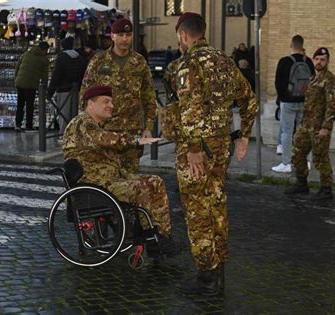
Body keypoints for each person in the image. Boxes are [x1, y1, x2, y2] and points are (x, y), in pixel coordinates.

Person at [172, 13, 258, 295]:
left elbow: (190, 109)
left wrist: (194, 149)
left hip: (199, 146)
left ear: (184, 35)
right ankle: (218, 273)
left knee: (197, 210)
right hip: (222, 145)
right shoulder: (225, 60)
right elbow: (249, 100)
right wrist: (244, 135)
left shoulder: (189, 63)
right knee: (217, 205)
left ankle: (206, 278)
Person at [62, 85, 179, 255]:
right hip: (96, 186)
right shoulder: (82, 124)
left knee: (155, 181)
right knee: (145, 188)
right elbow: (104, 139)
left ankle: (159, 237)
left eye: (111, 102)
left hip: (108, 181)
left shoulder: (94, 125)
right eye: (106, 102)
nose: (111, 105)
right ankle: (153, 238)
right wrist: (135, 141)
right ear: (91, 104)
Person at [81, 17, 156, 174]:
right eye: (120, 35)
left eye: (128, 35)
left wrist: (148, 127)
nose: (124, 39)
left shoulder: (139, 62)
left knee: (130, 179)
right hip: (105, 131)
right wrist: (86, 126)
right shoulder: (99, 61)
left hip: (131, 133)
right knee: (105, 177)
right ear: (112, 36)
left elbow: (149, 96)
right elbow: (85, 94)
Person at [286, 47, 335, 200]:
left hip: (319, 127)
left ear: (328, 61)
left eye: (322, 60)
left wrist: (326, 127)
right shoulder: (313, 79)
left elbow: (333, 106)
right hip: (306, 124)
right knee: (297, 153)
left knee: (320, 157)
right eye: (317, 59)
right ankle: (301, 184)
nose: (319, 62)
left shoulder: (331, 81)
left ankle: (326, 189)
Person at [272, 35, 315, 172]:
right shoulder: (308, 61)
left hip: (288, 102)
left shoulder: (284, 61)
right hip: (304, 102)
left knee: (287, 133)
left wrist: (283, 97)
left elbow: (278, 83)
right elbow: (313, 82)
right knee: (304, 133)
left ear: (291, 45)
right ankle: (306, 162)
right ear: (302, 45)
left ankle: (286, 163)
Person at [47, 37, 87, 135]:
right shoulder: (80, 57)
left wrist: (50, 92)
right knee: (75, 114)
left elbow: (56, 75)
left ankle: (64, 134)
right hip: (76, 90)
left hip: (63, 89)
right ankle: (75, 134)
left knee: (63, 114)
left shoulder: (61, 57)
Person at [14, 41, 49, 132]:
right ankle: (28, 125)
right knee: (29, 105)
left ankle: (18, 124)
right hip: (31, 84)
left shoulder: (26, 53)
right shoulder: (44, 59)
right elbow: (45, 75)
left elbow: (17, 67)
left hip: (20, 82)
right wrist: (45, 86)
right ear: (44, 50)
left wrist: (16, 79)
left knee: (20, 104)